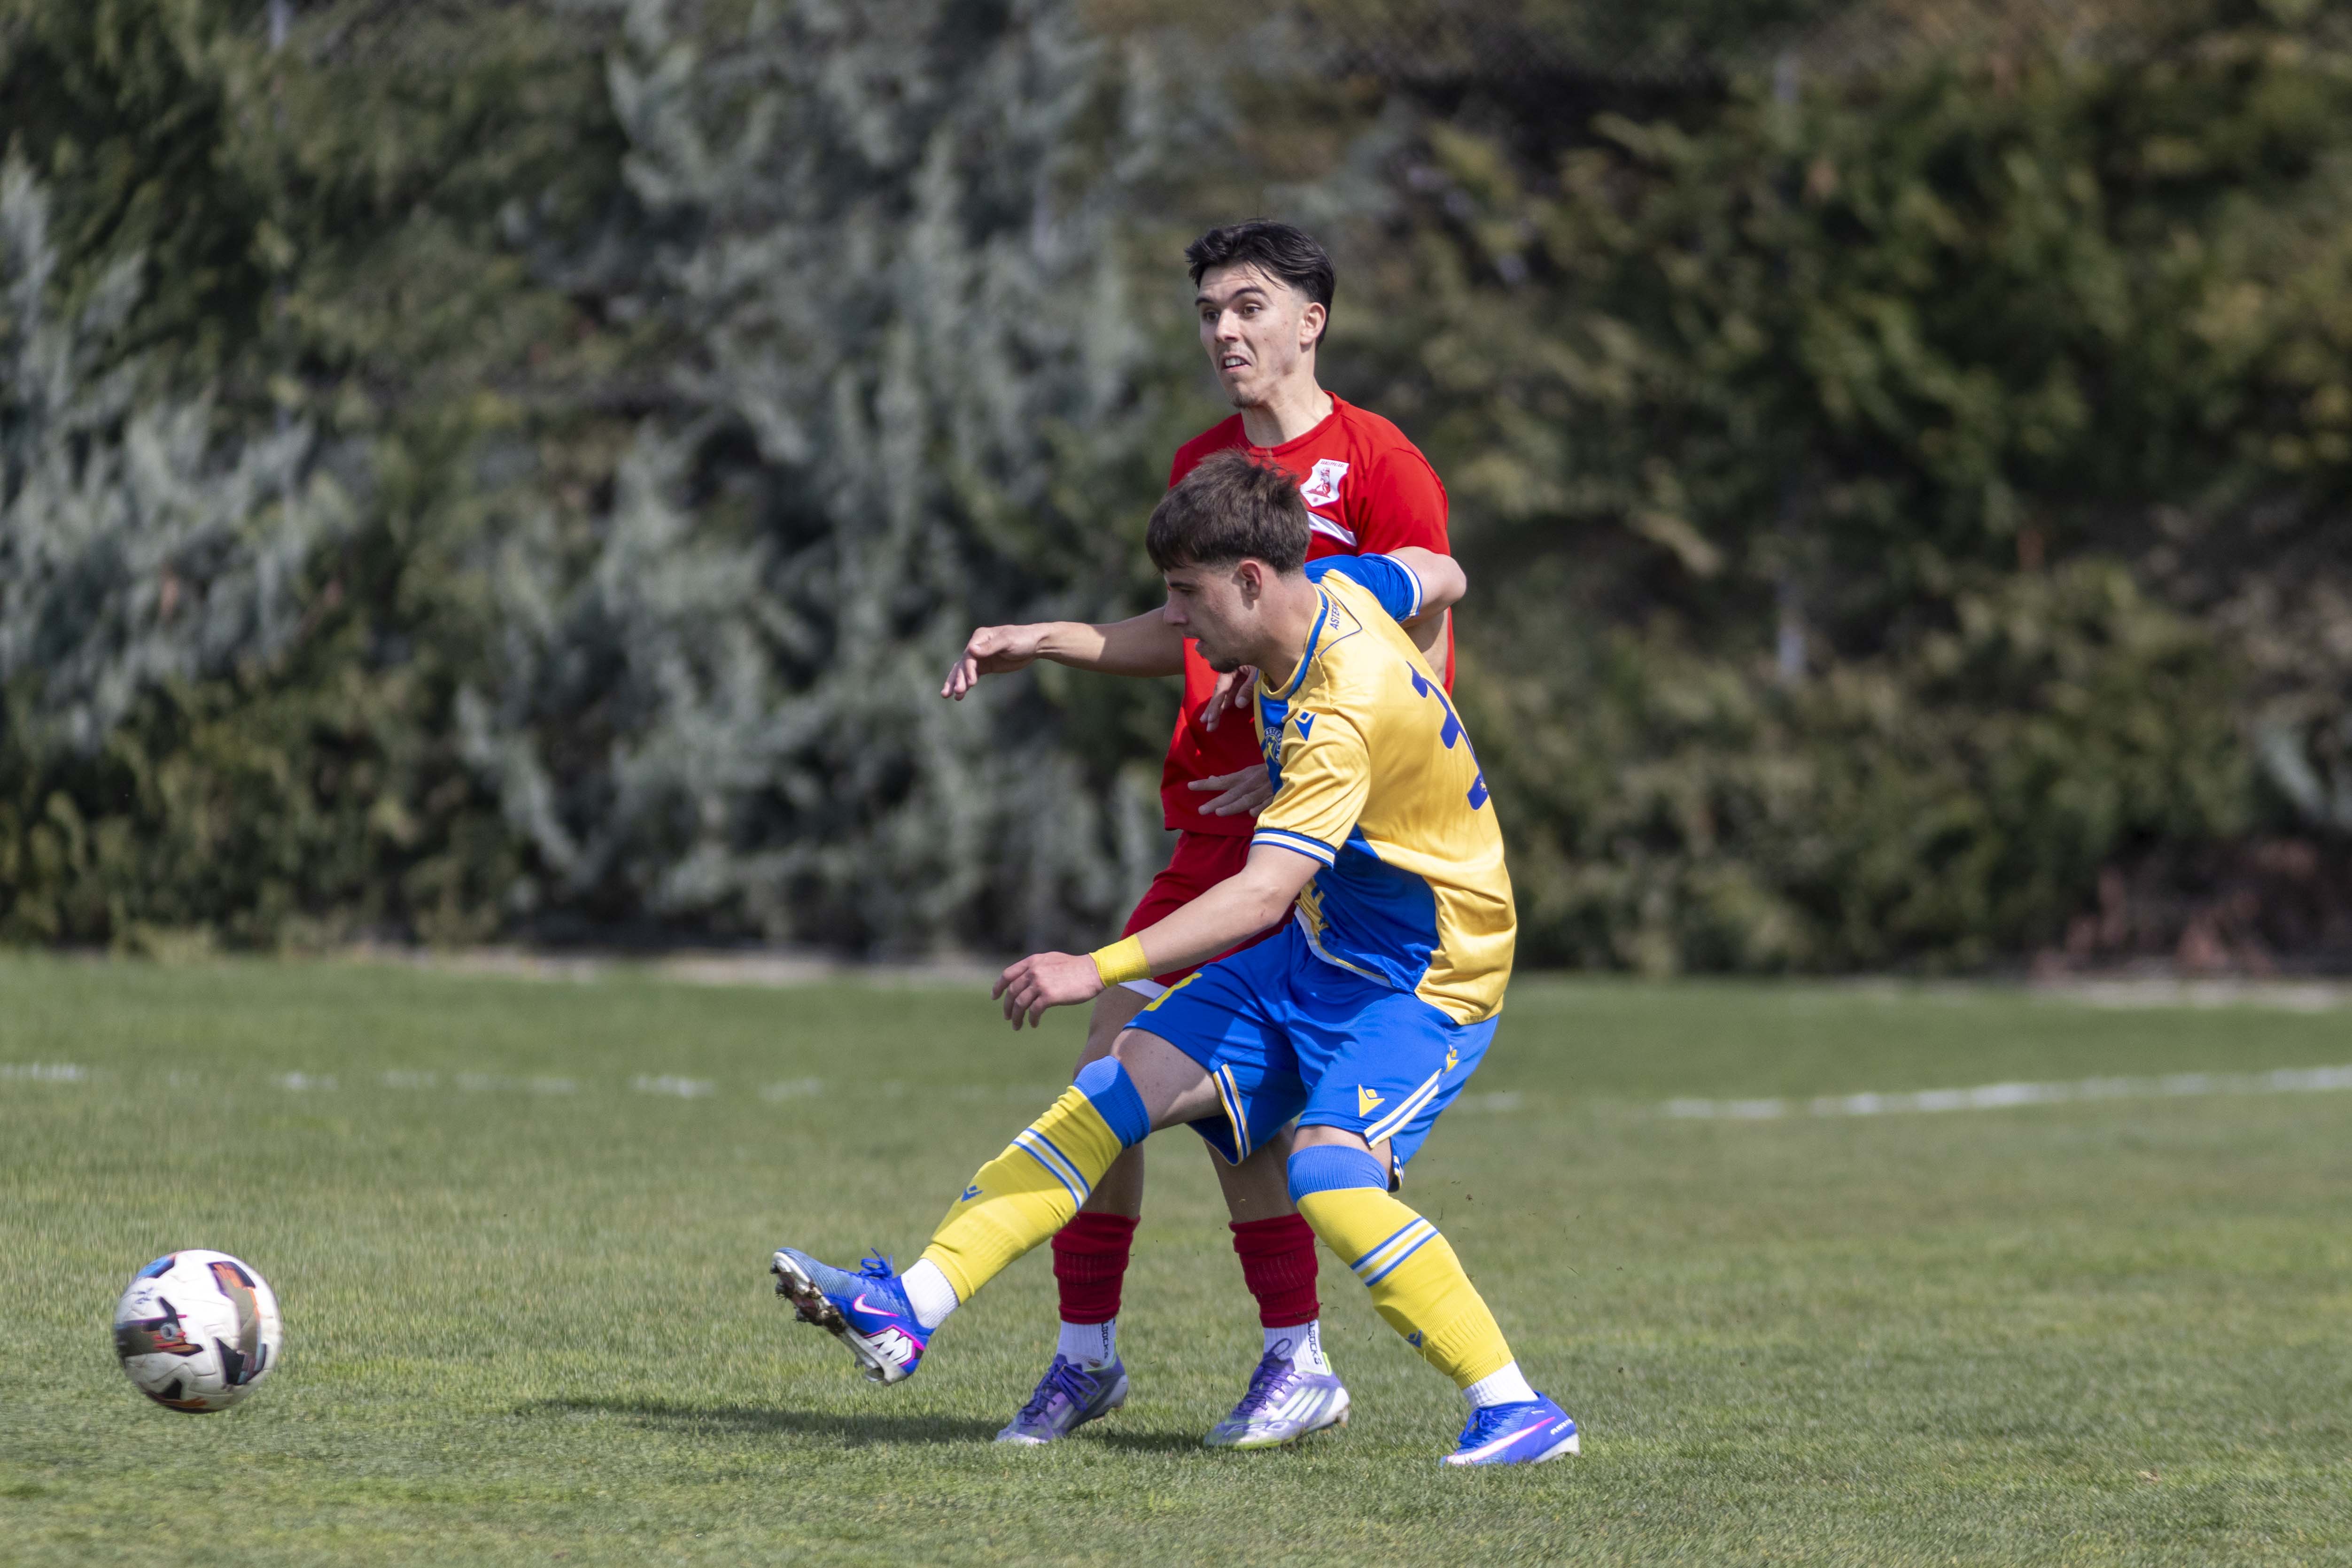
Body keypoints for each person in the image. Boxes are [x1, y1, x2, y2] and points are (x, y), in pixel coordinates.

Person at [777, 450, 1577, 1467]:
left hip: (1427, 977)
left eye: (1186, 595)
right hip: (1322, 946)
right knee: (1114, 1090)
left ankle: (1516, 1408)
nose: (1177, 620)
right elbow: (1442, 572)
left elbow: (1257, 894)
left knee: (1328, 1173)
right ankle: (909, 1306)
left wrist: (1096, 967)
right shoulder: (1336, 585)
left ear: (1250, 580)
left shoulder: (1340, 712)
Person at [938, 220, 1463, 1448]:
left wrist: (1306, 767)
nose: (1224, 330)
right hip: (1211, 834)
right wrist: (1044, 639)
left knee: (1191, 1093)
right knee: (1138, 1082)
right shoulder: (1202, 463)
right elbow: (1178, 625)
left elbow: (1426, 652)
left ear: (1310, 321)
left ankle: (1239, 1356)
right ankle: (1127, 1355)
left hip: (1322, 848)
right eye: (1209, 311)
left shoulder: (1380, 461)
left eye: (1248, 306)